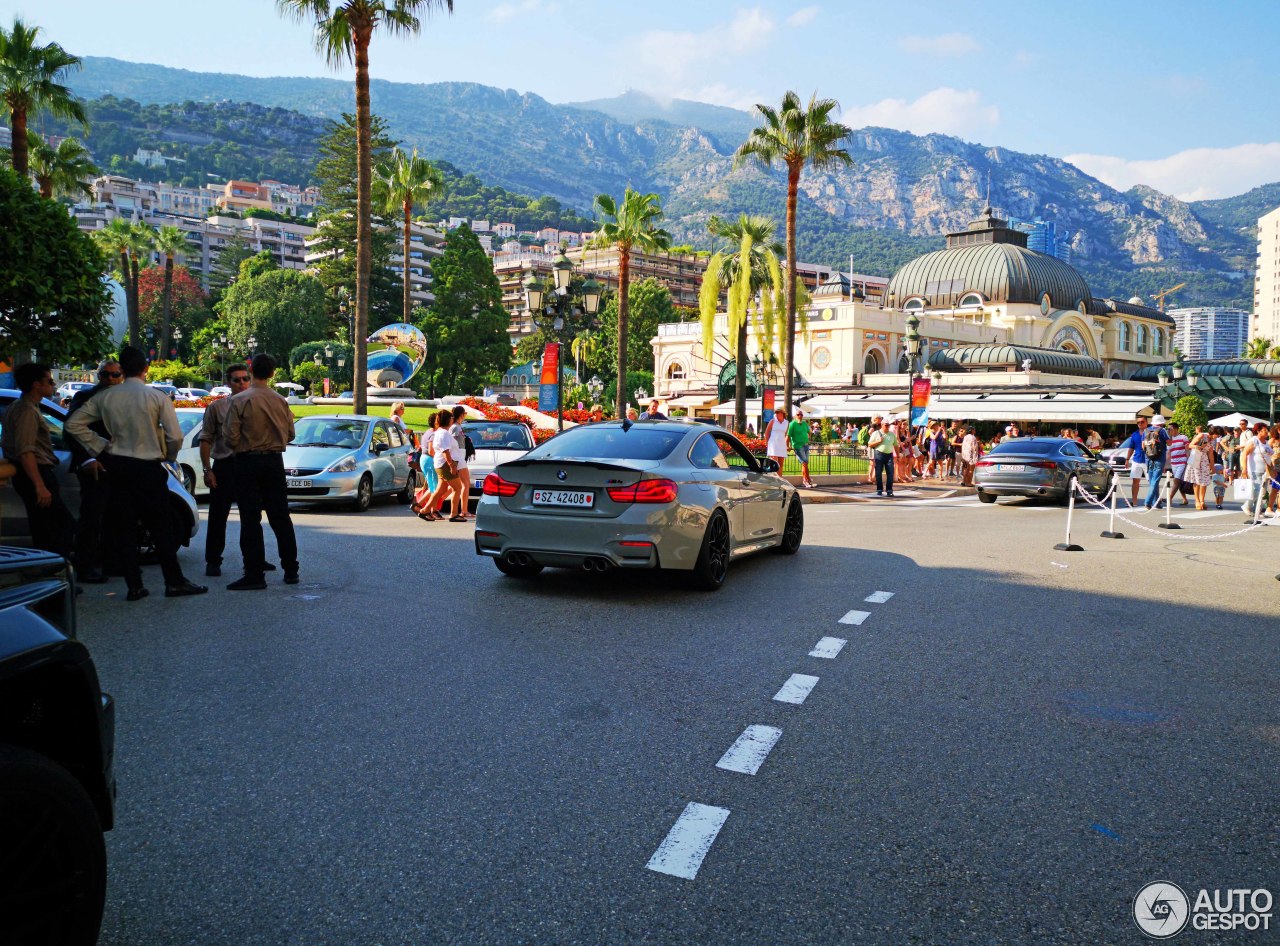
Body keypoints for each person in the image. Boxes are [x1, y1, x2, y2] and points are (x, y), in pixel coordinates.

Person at [65, 347, 207, 601]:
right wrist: (169, 455)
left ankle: (134, 585)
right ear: (146, 368)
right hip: (148, 466)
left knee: (124, 527)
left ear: (121, 368)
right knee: (161, 526)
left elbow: (73, 424)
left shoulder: (105, 397)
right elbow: (175, 436)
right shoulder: (156, 397)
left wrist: (101, 446)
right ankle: (173, 581)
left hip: (117, 465)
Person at [224, 353, 299, 590]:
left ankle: (254, 573)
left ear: (251, 370)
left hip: (248, 461)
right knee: (281, 518)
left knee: (250, 519)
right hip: (274, 462)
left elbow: (230, 436)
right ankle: (291, 569)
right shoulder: (280, 401)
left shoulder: (240, 400)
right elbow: (291, 434)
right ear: (273, 373)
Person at [2, 363, 75, 560]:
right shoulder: (26, 410)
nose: (53, 385)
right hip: (35, 474)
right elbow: (26, 451)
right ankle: (54, 573)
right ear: (36, 384)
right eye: (49, 381)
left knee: (46, 528)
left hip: (33, 474)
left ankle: (47, 571)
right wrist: (39, 485)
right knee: (60, 527)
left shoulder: (20, 407)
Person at [65, 359, 124, 582]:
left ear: (122, 376)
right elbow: (70, 431)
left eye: (115, 375)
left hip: (118, 463)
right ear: (98, 376)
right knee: (91, 517)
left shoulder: (124, 397)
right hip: (94, 465)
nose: (110, 379)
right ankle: (84, 566)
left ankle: (111, 562)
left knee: (115, 515)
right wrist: (86, 460)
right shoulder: (85, 397)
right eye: (105, 375)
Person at [199, 365, 254, 577]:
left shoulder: (256, 404)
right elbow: (206, 439)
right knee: (217, 516)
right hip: (224, 465)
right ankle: (213, 561)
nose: (241, 384)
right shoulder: (217, 408)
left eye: (245, 379)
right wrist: (207, 469)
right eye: (236, 380)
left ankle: (253, 559)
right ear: (228, 383)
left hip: (249, 464)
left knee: (251, 515)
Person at [1140, 415, 1171, 509]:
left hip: (1148, 457)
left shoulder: (1146, 431)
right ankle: (1148, 502)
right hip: (1159, 457)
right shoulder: (1162, 430)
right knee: (1156, 480)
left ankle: (1156, 502)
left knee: (1152, 480)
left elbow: (1142, 446)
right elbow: (1170, 443)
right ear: (1161, 423)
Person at [449, 405, 473, 521]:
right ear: (461, 414)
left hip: (459, 456)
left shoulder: (457, 426)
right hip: (458, 456)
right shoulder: (455, 427)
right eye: (465, 414)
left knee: (461, 484)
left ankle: (463, 510)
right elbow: (452, 442)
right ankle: (463, 510)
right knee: (465, 483)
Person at [1184, 424, 1212, 510]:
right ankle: (1197, 501)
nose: (1217, 437)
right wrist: (1199, 447)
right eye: (1216, 435)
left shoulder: (1211, 439)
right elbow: (1190, 445)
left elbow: (1210, 452)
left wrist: (1212, 465)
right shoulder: (1201, 435)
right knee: (1196, 480)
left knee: (1204, 481)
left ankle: (1202, 501)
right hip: (1196, 458)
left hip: (1204, 460)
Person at [868, 418, 897, 496]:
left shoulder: (892, 434)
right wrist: (879, 441)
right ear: (882, 425)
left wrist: (897, 455)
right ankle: (879, 489)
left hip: (889, 454)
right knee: (878, 472)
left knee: (890, 473)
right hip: (879, 454)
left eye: (888, 425)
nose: (887, 427)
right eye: (886, 425)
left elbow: (896, 445)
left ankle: (889, 490)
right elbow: (870, 444)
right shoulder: (876, 433)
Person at [1166, 421, 1190, 506]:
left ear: (1176, 429)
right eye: (1167, 429)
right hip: (1173, 463)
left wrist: (1188, 461)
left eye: (1170, 429)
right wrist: (1164, 465)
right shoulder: (1169, 440)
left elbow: (1187, 449)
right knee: (1178, 481)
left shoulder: (1184, 437)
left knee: (1176, 480)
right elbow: (1169, 453)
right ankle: (1184, 499)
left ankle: (1169, 498)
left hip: (1182, 462)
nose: (1168, 430)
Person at [788, 408, 814, 488]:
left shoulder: (804, 423)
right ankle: (806, 480)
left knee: (805, 463)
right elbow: (788, 436)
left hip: (805, 445)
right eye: (798, 414)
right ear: (795, 416)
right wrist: (788, 446)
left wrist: (808, 439)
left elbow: (809, 431)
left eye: (801, 414)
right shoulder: (792, 424)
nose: (800, 416)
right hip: (798, 446)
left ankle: (807, 480)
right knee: (804, 463)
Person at [860, 416, 879, 484]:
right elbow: (870, 432)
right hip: (872, 446)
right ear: (875, 419)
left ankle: (873, 478)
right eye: (879, 419)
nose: (880, 420)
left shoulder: (874, 426)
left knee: (874, 463)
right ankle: (870, 478)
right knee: (873, 463)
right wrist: (875, 439)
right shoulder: (872, 426)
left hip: (873, 446)